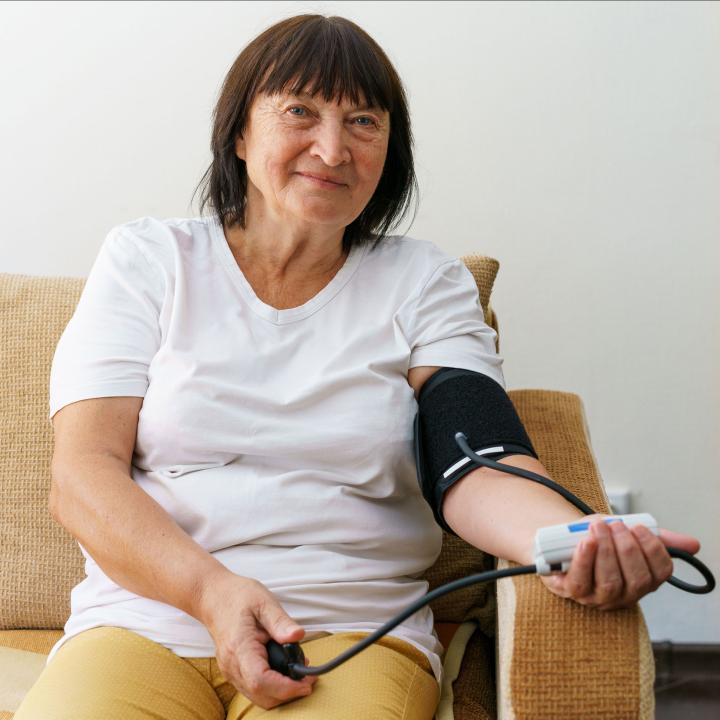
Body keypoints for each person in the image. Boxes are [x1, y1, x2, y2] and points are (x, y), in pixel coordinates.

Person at [16, 13, 700, 720]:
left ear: (390, 150)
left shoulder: (424, 283)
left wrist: (577, 541)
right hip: (145, 623)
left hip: (350, 634)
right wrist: (212, 594)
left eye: (364, 122)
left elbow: (480, 462)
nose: (332, 148)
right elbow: (82, 476)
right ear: (241, 134)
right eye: (300, 112)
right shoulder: (149, 260)